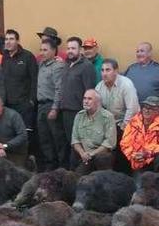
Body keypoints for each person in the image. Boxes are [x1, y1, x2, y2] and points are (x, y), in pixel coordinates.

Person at [53, 37, 96, 168]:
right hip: (64, 111)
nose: (70, 51)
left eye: (73, 48)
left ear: (80, 50)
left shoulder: (87, 67)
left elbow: (90, 91)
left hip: (78, 113)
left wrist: (87, 113)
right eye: (68, 48)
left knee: (77, 145)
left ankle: (77, 173)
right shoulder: (66, 64)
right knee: (67, 143)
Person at [120, 96, 159, 172]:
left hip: (152, 159)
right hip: (135, 159)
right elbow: (125, 143)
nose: (146, 110)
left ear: (158, 111)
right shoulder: (133, 121)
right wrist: (133, 155)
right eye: (145, 107)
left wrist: (146, 153)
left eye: (151, 108)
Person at [36, 38, 66, 170]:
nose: (42, 52)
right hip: (41, 106)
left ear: (54, 51)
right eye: (41, 49)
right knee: (44, 139)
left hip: (51, 105)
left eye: (45, 50)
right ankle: (50, 166)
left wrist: (55, 108)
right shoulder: (41, 64)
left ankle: (61, 167)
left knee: (57, 139)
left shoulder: (57, 66)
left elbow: (59, 89)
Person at [71, 89, 116, 175]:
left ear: (98, 102)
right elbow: (75, 140)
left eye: (89, 99)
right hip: (83, 154)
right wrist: (82, 153)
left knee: (104, 158)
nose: (86, 101)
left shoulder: (107, 117)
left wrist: (91, 154)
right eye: (84, 98)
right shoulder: (79, 116)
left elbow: (109, 143)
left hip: (99, 154)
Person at [1, 29, 38, 129]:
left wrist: (32, 100)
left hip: (24, 104)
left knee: (25, 133)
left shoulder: (28, 56)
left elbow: (35, 79)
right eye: (6, 39)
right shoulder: (4, 57)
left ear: (18, 41)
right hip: (8, 104)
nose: (8, 42)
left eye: (11, 39)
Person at [95, 58, 139, 131]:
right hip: (108, 125)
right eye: (102, 70)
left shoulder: (126, 84)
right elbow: (97, 108)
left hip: (127, 125)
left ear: (116, 71)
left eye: (108, 70)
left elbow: (132, 109)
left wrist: (123, 128)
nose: (104, 74)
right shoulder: (99, 87)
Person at [124, 42, 159, 106]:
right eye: (137, 51)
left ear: (149, 53)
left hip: (153, 110)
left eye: (142, 51)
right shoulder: (131, 68)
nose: (139, 54)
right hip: (133, 109)